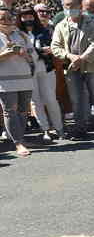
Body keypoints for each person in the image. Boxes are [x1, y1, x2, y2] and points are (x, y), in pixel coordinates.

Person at [51, 0, 94, 139]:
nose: (68, 8)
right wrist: (69, 56)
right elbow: (55, 47)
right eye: (66, 5)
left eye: (71, 5)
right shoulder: (60, 26)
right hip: (71, 67)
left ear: (79, 7)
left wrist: (81, 59)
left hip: (91, 66)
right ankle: (80, 128)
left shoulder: (91, 22)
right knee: (76, 99)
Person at [19, 9, 63, 141]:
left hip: (46, 68)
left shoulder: (43, 31)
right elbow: (22, 51)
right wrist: (38, 51)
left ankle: (59, 128)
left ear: (34, 17)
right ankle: (45, 129)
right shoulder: (18, 34)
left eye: (30, 15)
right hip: (28, 70)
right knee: (35, 101)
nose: (27, 18)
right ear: (20, 18)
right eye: (24, 16)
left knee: (50, 99)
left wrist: (46, 50)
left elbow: (51, 47)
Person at [0, 8, 35, 156]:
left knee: (23, 110)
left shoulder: (21, 35)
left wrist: (25, 54)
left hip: (24, 78)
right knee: (10, 111)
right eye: (3, 18)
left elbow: (32, 56)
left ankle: (21, 138)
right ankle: (18, 143)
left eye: (10, 17)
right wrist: (6, 54)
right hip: (5, 81)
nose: (8, 20)